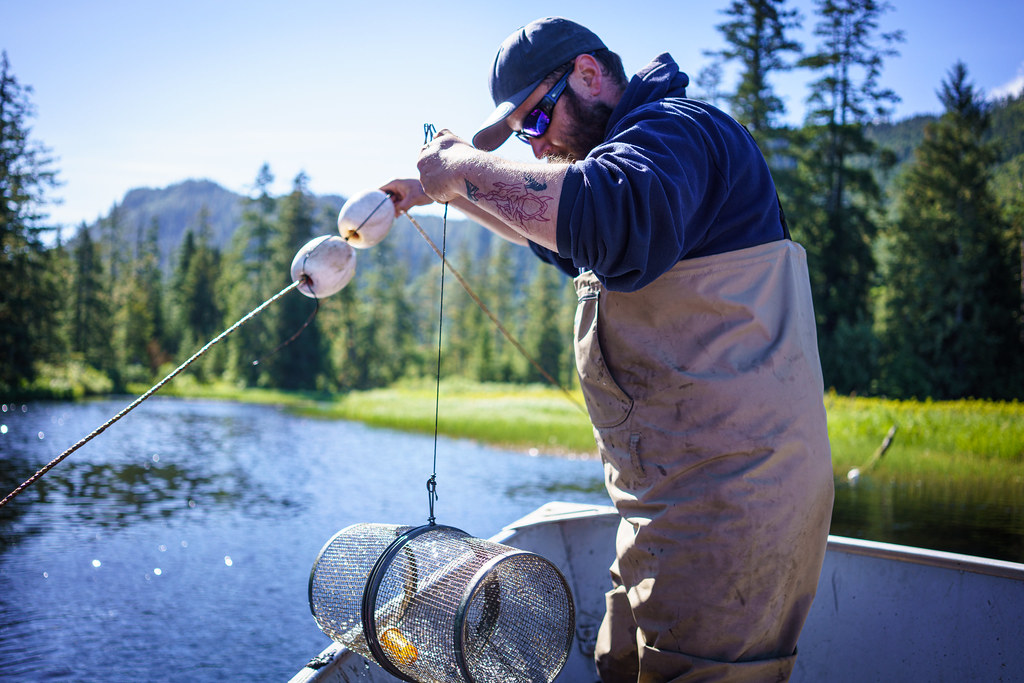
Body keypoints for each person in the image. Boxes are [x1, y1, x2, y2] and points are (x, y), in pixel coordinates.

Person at [383, 16, 834, 683]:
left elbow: (601, 216)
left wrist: (459, 168)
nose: (534, 149)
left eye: (535, 122)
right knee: (619, 664)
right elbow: (562, 232)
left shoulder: (675, 130)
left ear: (589, 74)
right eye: (520, 137)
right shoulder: (623, 166)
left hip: (732, 511)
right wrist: (442, 192)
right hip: (662, 511)